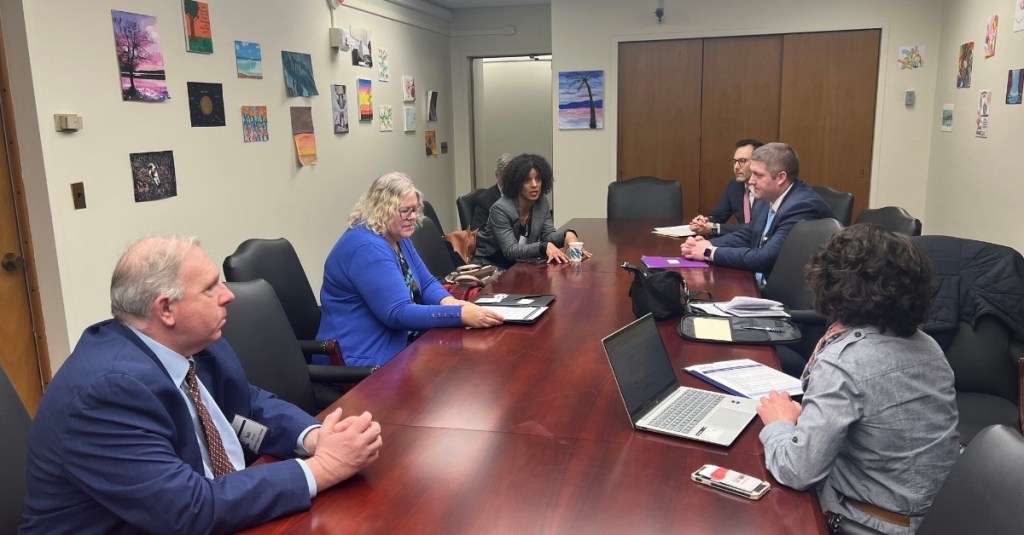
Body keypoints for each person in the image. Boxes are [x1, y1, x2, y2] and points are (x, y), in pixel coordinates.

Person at [21, 236, 383, 534]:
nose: (229, 295)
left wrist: (314, 438)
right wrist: (322, 469)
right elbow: (188, 509)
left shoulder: (199, 345)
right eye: (210, 288)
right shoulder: (108, 392)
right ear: (166, 310)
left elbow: (248, 407)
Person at [756, 225, 960, 535]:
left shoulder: (844, 361)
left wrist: (779, 424)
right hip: (936, 514)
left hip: (866, 522)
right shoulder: (928, 345)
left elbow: (798, 471)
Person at [318, 172, 503, 367]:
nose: (413, 217)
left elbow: (427, 282)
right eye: (406, 211)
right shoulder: (367, 247)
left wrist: (451, 303)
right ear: (382, 209)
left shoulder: (396, 236)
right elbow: (398, 313)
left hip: (399, 345)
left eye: (415, 210)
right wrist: (460, 315)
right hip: (363, 359)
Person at [679, 142, 833, 285]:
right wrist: (708, 244)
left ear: (780, 178)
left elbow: (765, 258)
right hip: (759, 284)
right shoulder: (769, 198)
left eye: (758, 175)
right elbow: (750, 233)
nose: (751, 181)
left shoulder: (801, 207)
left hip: (784, 298)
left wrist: (708, 252)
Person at [473, 153, 591, 269]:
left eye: (538, 179)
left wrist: (567, 235)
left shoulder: (541, 202)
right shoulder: (500, 209)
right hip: (491, 266)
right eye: (527, 180)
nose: (534, 185)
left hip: (520, 265)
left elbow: (548, 234)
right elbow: (510, 251)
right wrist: (543, 247)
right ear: (517, 183)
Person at [688, 139, 763, 236]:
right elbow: (718, 215)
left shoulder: (766, 189)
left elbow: (755, 227)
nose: (736, 167)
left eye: (742, 161)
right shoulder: (735, 185)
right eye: (735, 161)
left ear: (758, 163)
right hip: (740, 242)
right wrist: (704, 221)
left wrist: (714, 228)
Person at [470, 152, 513, 231]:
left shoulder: (521, 195)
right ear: (497, 175)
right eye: (506, 177)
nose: (510, 181)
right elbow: (478, 233)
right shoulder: (483, 201)